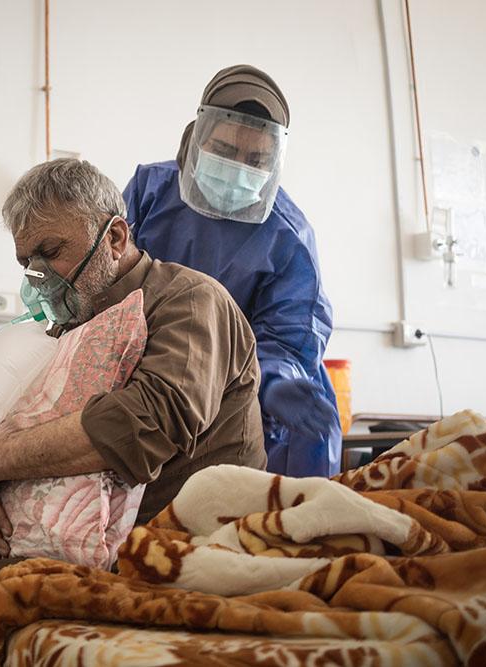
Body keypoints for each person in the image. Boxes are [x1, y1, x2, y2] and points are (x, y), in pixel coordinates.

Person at [0, 158, 266, 666]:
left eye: (51, 252)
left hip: (158, 538)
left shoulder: (190, 301)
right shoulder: (66, 324)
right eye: (27, 261)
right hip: (42, 538)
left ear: (114, 237)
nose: (38, 275)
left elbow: (145, 422)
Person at [123, 64, 341, 478]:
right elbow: (110, 276)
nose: (238, 168)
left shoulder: (287, 235)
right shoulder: (149, 191)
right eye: (223, 152)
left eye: (256, 159)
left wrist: (277, 379)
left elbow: (289, 333)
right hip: (147, 375)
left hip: (242, 394)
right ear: (196, 138)